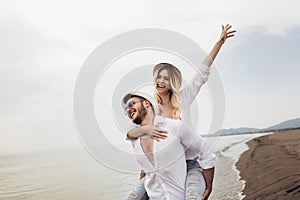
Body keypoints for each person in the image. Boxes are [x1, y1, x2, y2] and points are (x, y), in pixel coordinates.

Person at [126, 24, 236, 200]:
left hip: (190, 164)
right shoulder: (151, 109)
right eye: (159, 77)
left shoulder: (183, 97)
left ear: (172, 82)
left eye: (166, 78)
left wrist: (219, 43)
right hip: (163, 166)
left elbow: (202, 73)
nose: (161, 81)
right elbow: (146, 144)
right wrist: (145, 174)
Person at [122, 91, 215, 200]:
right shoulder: (135, 140)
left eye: (131, 104)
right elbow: (145, 169)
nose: (128, 109)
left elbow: (205, 150)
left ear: (146, 103)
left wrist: (208, 185)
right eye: (126, 109)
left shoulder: (174, 127)